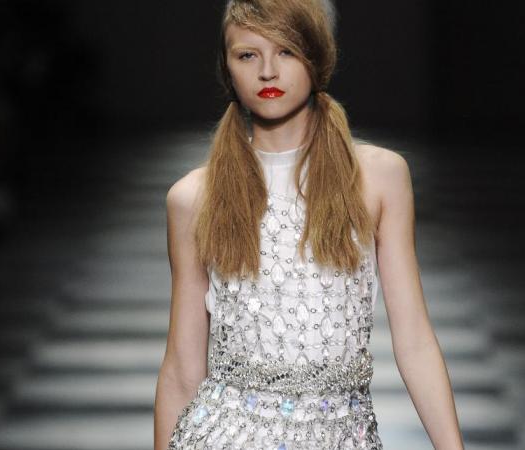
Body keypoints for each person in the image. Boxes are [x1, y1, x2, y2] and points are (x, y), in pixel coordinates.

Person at [154, 0, 465, 449]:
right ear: (227, 69)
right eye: (248, 55)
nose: (267, 72)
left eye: (286, 51)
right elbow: (183, 368)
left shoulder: (379, 178)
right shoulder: (193, 198)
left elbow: (414, 340)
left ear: (316, 57)